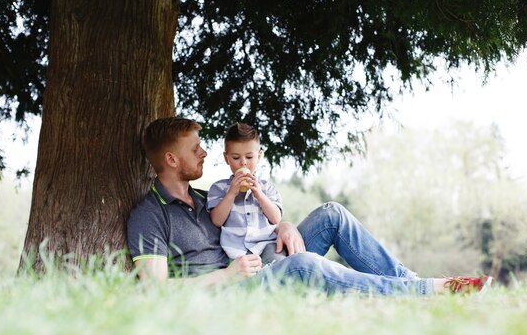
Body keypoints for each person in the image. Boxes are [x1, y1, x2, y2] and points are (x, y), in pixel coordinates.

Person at [126, 117, 493, 295]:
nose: (204, 153)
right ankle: (431, 292)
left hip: (257, 265)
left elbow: (249, 221)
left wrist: (283, 226)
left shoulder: (206, 198)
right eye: (195, 149)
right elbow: (154, 290)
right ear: (172, 160)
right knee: (302, 265)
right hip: (232, 291)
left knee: (330, 214)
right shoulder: (149, 215)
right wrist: (227, 275)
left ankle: (407, 279)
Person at [207, 123, 287, 265]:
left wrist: (259, 195)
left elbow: (276, 219)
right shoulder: (219, 188)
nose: (243, 163)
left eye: (249, 157)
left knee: (280, 265)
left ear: (259, 156)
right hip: (234, 251)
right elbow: (216, 221)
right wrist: (231, 193)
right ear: (226, 158)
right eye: (236, 158)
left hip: (266, 246)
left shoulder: (266, 187)